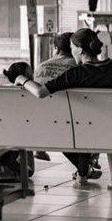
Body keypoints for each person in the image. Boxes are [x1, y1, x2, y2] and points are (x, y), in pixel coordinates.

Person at [13, 28, 112, 185]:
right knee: (100, 121)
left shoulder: (77, 73)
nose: (72, 51)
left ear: (80, 50)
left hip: (84, 128)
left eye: (73, 47)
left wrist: (21, 78)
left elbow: (40, 92)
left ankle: (83, 172)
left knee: (66, 123)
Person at [32, 32, 76, 162]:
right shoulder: (76, 65)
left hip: (39, 117)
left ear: (56, 48)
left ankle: (40, 148)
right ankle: (85, 169)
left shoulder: (41, 65)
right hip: (67, 116)